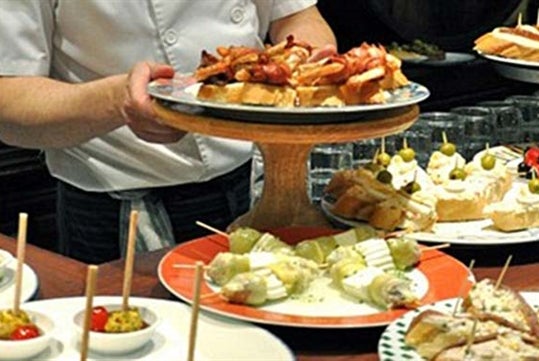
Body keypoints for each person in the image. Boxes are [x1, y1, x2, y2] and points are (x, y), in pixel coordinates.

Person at [0, 1, 336, 264]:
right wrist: (117, 102)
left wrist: (308, 63)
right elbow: (9, 102)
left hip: (256, 183)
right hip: (119, 208)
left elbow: (296, 17)